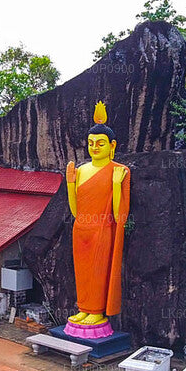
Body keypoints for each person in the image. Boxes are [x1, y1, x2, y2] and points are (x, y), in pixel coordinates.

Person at [65, 101, 130, 326]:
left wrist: (116, 185)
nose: (94, 147)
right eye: (91, 143)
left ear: (112, 145)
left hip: (102, 229)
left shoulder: (119, 171)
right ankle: (84, 308)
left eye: (100, 143)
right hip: (80, 229)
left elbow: (118, 214)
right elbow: (75, 210)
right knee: (81, 273)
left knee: (97, 271)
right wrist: (70, 184)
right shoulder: (82, 170)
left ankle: (97, 310)